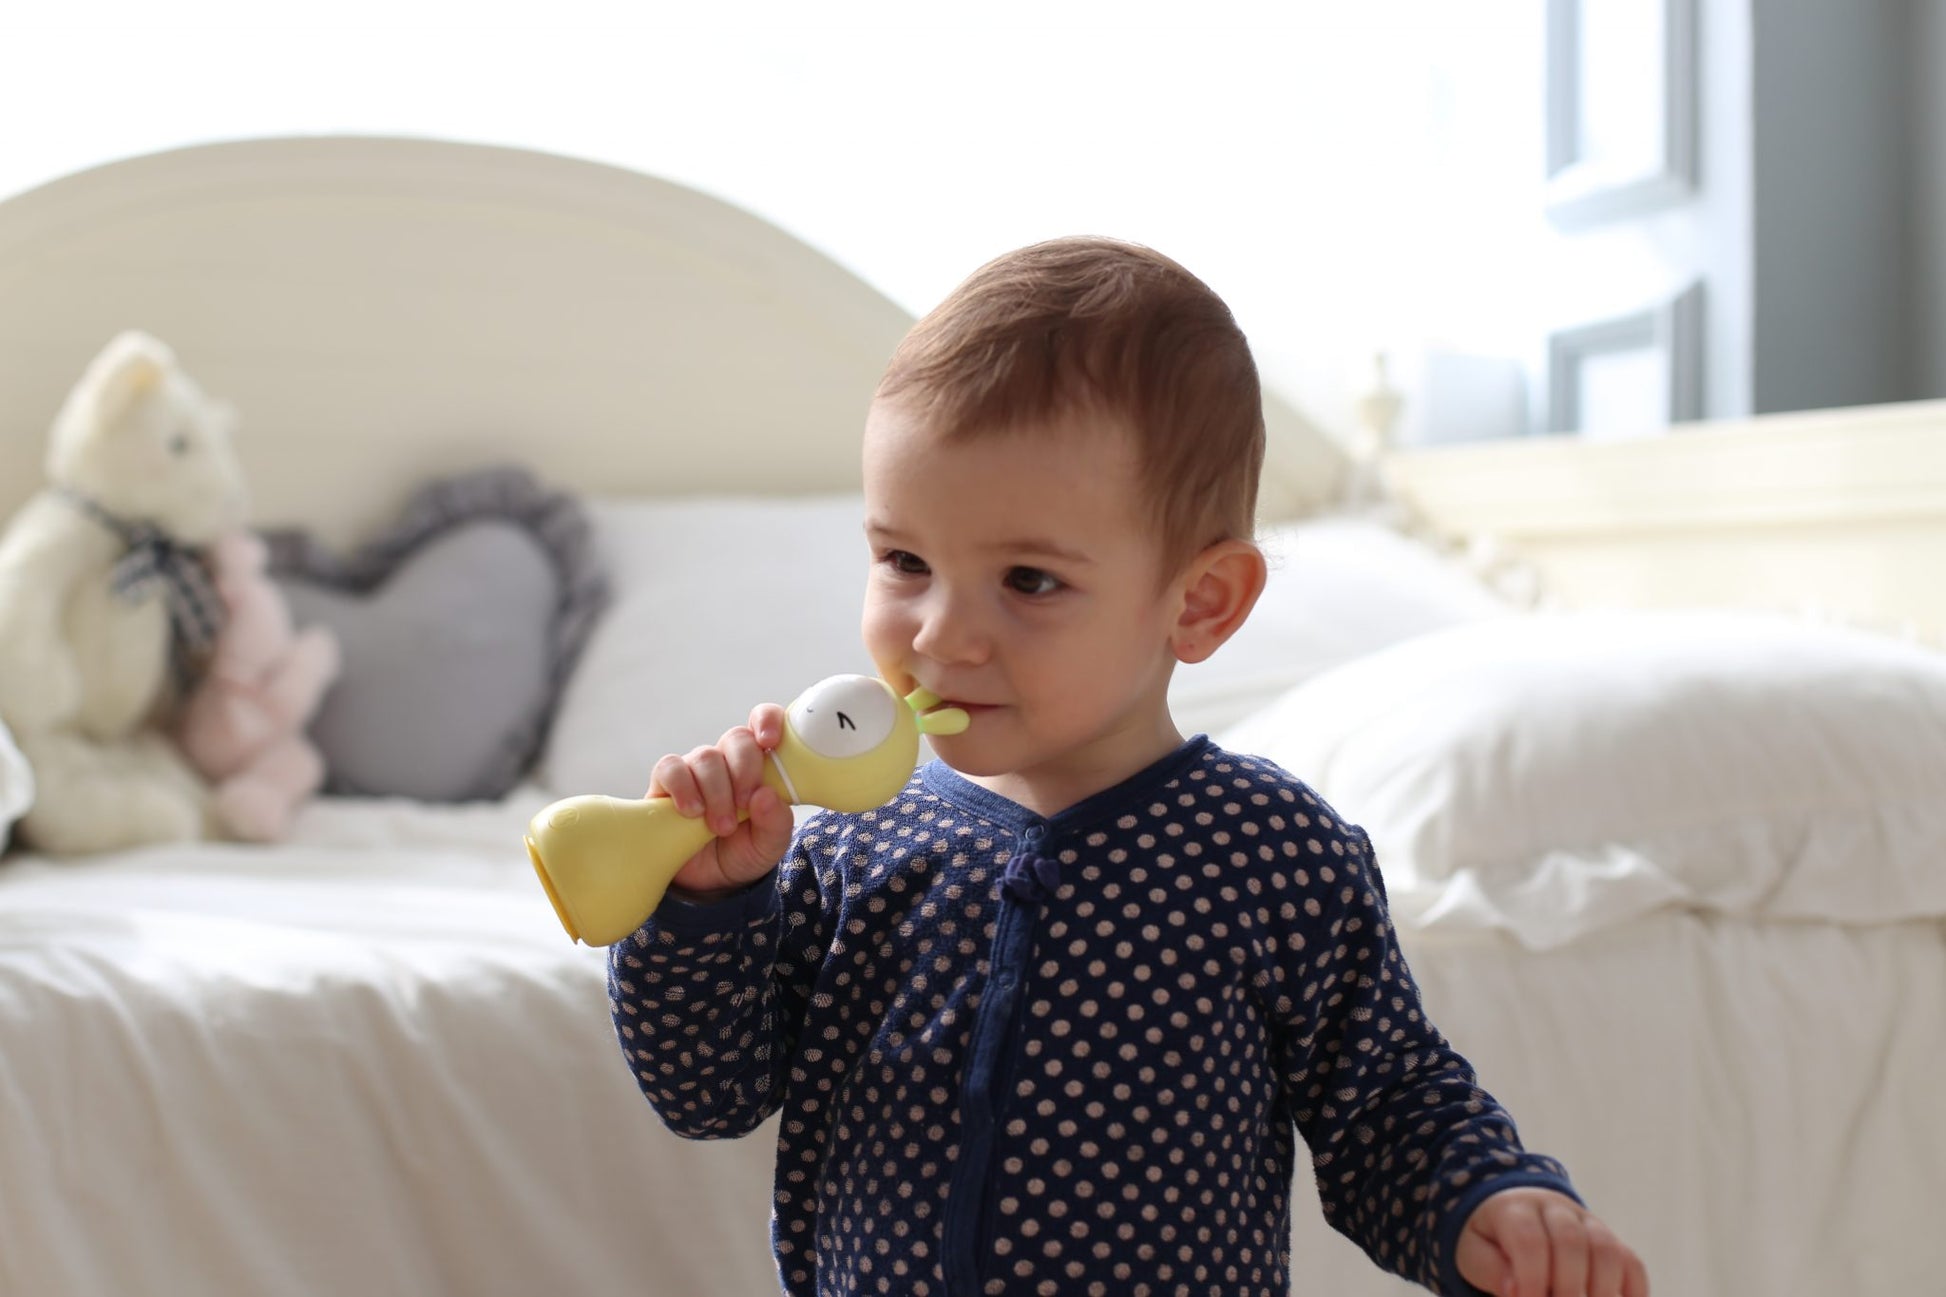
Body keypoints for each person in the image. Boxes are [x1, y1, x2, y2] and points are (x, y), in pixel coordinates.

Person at [607, 237, 1648, 1297]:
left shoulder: (1272, 857)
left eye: (1027, 579)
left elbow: (1386, 1103)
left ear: (1199, 602)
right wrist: (706, 904)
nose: (940, 634)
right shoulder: (847, 845)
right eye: (904, 561)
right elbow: (706, 1091)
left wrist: (1487, 1200)